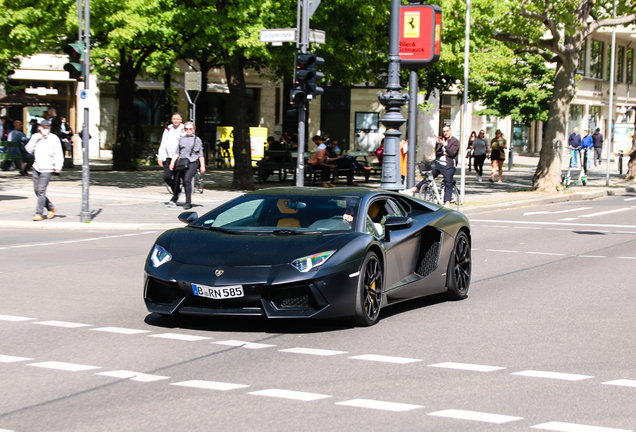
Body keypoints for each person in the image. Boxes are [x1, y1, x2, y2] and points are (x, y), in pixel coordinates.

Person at [406, 125, 459, 206]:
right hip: (439, 163)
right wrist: (444, 151)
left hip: (449, 165)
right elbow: (437, 153)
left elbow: (452, 153)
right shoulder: (441, 140)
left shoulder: (455, 141)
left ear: (450, 131)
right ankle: (412, 190)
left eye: (447, 131)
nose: (445, 133)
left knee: (448, 183)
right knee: (428, 177)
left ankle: (447, 202)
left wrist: (445, 145)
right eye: (444, 131)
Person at [25, 120, 63, 221]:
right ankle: (51, 207)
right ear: (40, 127)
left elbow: (58, 153)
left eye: (48, 127)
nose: (46, 129)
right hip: (37, 167)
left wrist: (58, 166)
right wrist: (36, 139)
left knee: (41, 190)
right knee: (37, 191)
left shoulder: (54, 138)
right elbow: (28, 149)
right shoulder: (35, 137)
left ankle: (39, 213)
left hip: (47, 168)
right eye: (44, 127)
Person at [168, 121, 205, 209]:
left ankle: (188, 202)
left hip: (193, 161)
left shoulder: (197, 140)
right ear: (184, 129)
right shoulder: (181, 139)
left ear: (193, 129)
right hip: (182, 161)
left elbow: (200, 154)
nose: (188, 130)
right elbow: (177, 152)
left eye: (190, 129)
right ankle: (174, 198)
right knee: (176, 180)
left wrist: (202, 165)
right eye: (186, 129)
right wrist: (172, 162)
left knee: (186, 180)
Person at [158, 113, 185, 203]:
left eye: (177, 119)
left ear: (180, 120)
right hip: (169, 157)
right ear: (172, 120)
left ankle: (174, 198)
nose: (176, 120)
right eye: (174, 119)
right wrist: (160, 157)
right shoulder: (168, 129)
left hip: (179, 158)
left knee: (177, 179)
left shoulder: (183, 129)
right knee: (166, 177)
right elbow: (163, 143)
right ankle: (177, 191)